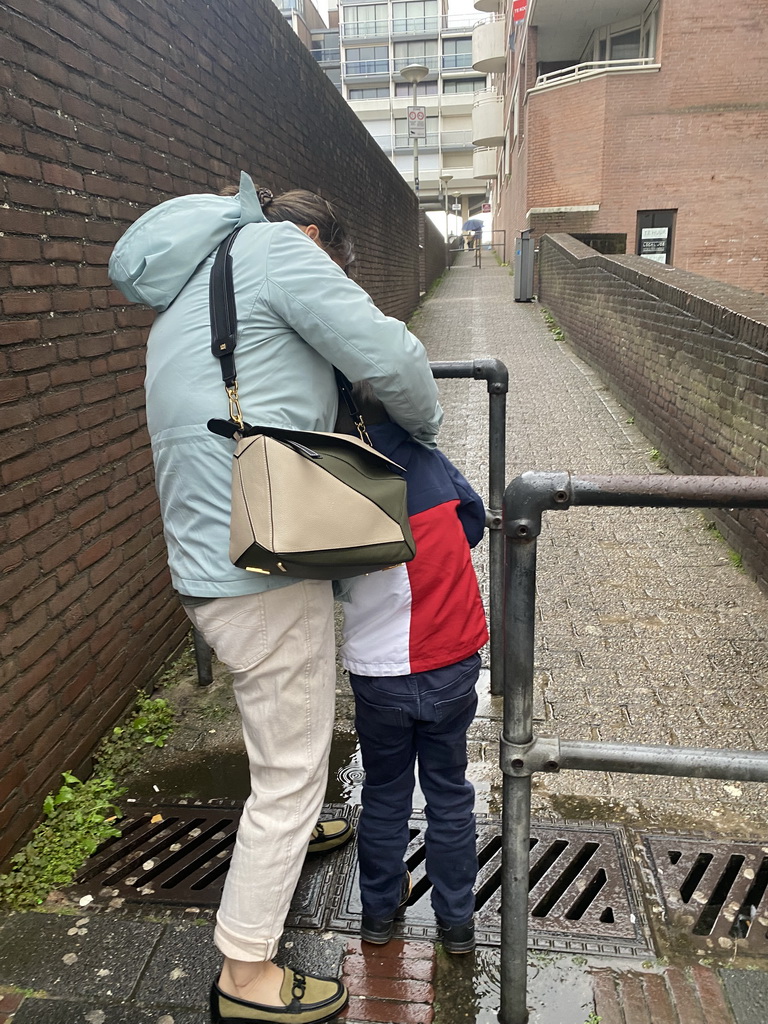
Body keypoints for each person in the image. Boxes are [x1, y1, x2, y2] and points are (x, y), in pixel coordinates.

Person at [109, 172, 442, 1024]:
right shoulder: (279, 254)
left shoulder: (194, 281)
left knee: (275, 719)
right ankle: (246, 973)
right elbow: (391, 357)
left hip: (205, 560)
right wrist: (427, 423)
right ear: (321, 243)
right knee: (294, 767)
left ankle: (293, 838)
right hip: (260, 564)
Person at [336, 385, 488, 955]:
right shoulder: (426, 460)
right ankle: (457, 923)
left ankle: (378, 914)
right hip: (450, 660)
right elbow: (472, 523)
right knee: (449, 792)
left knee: (385, 794)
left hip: (378, 674)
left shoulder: (335, 477)